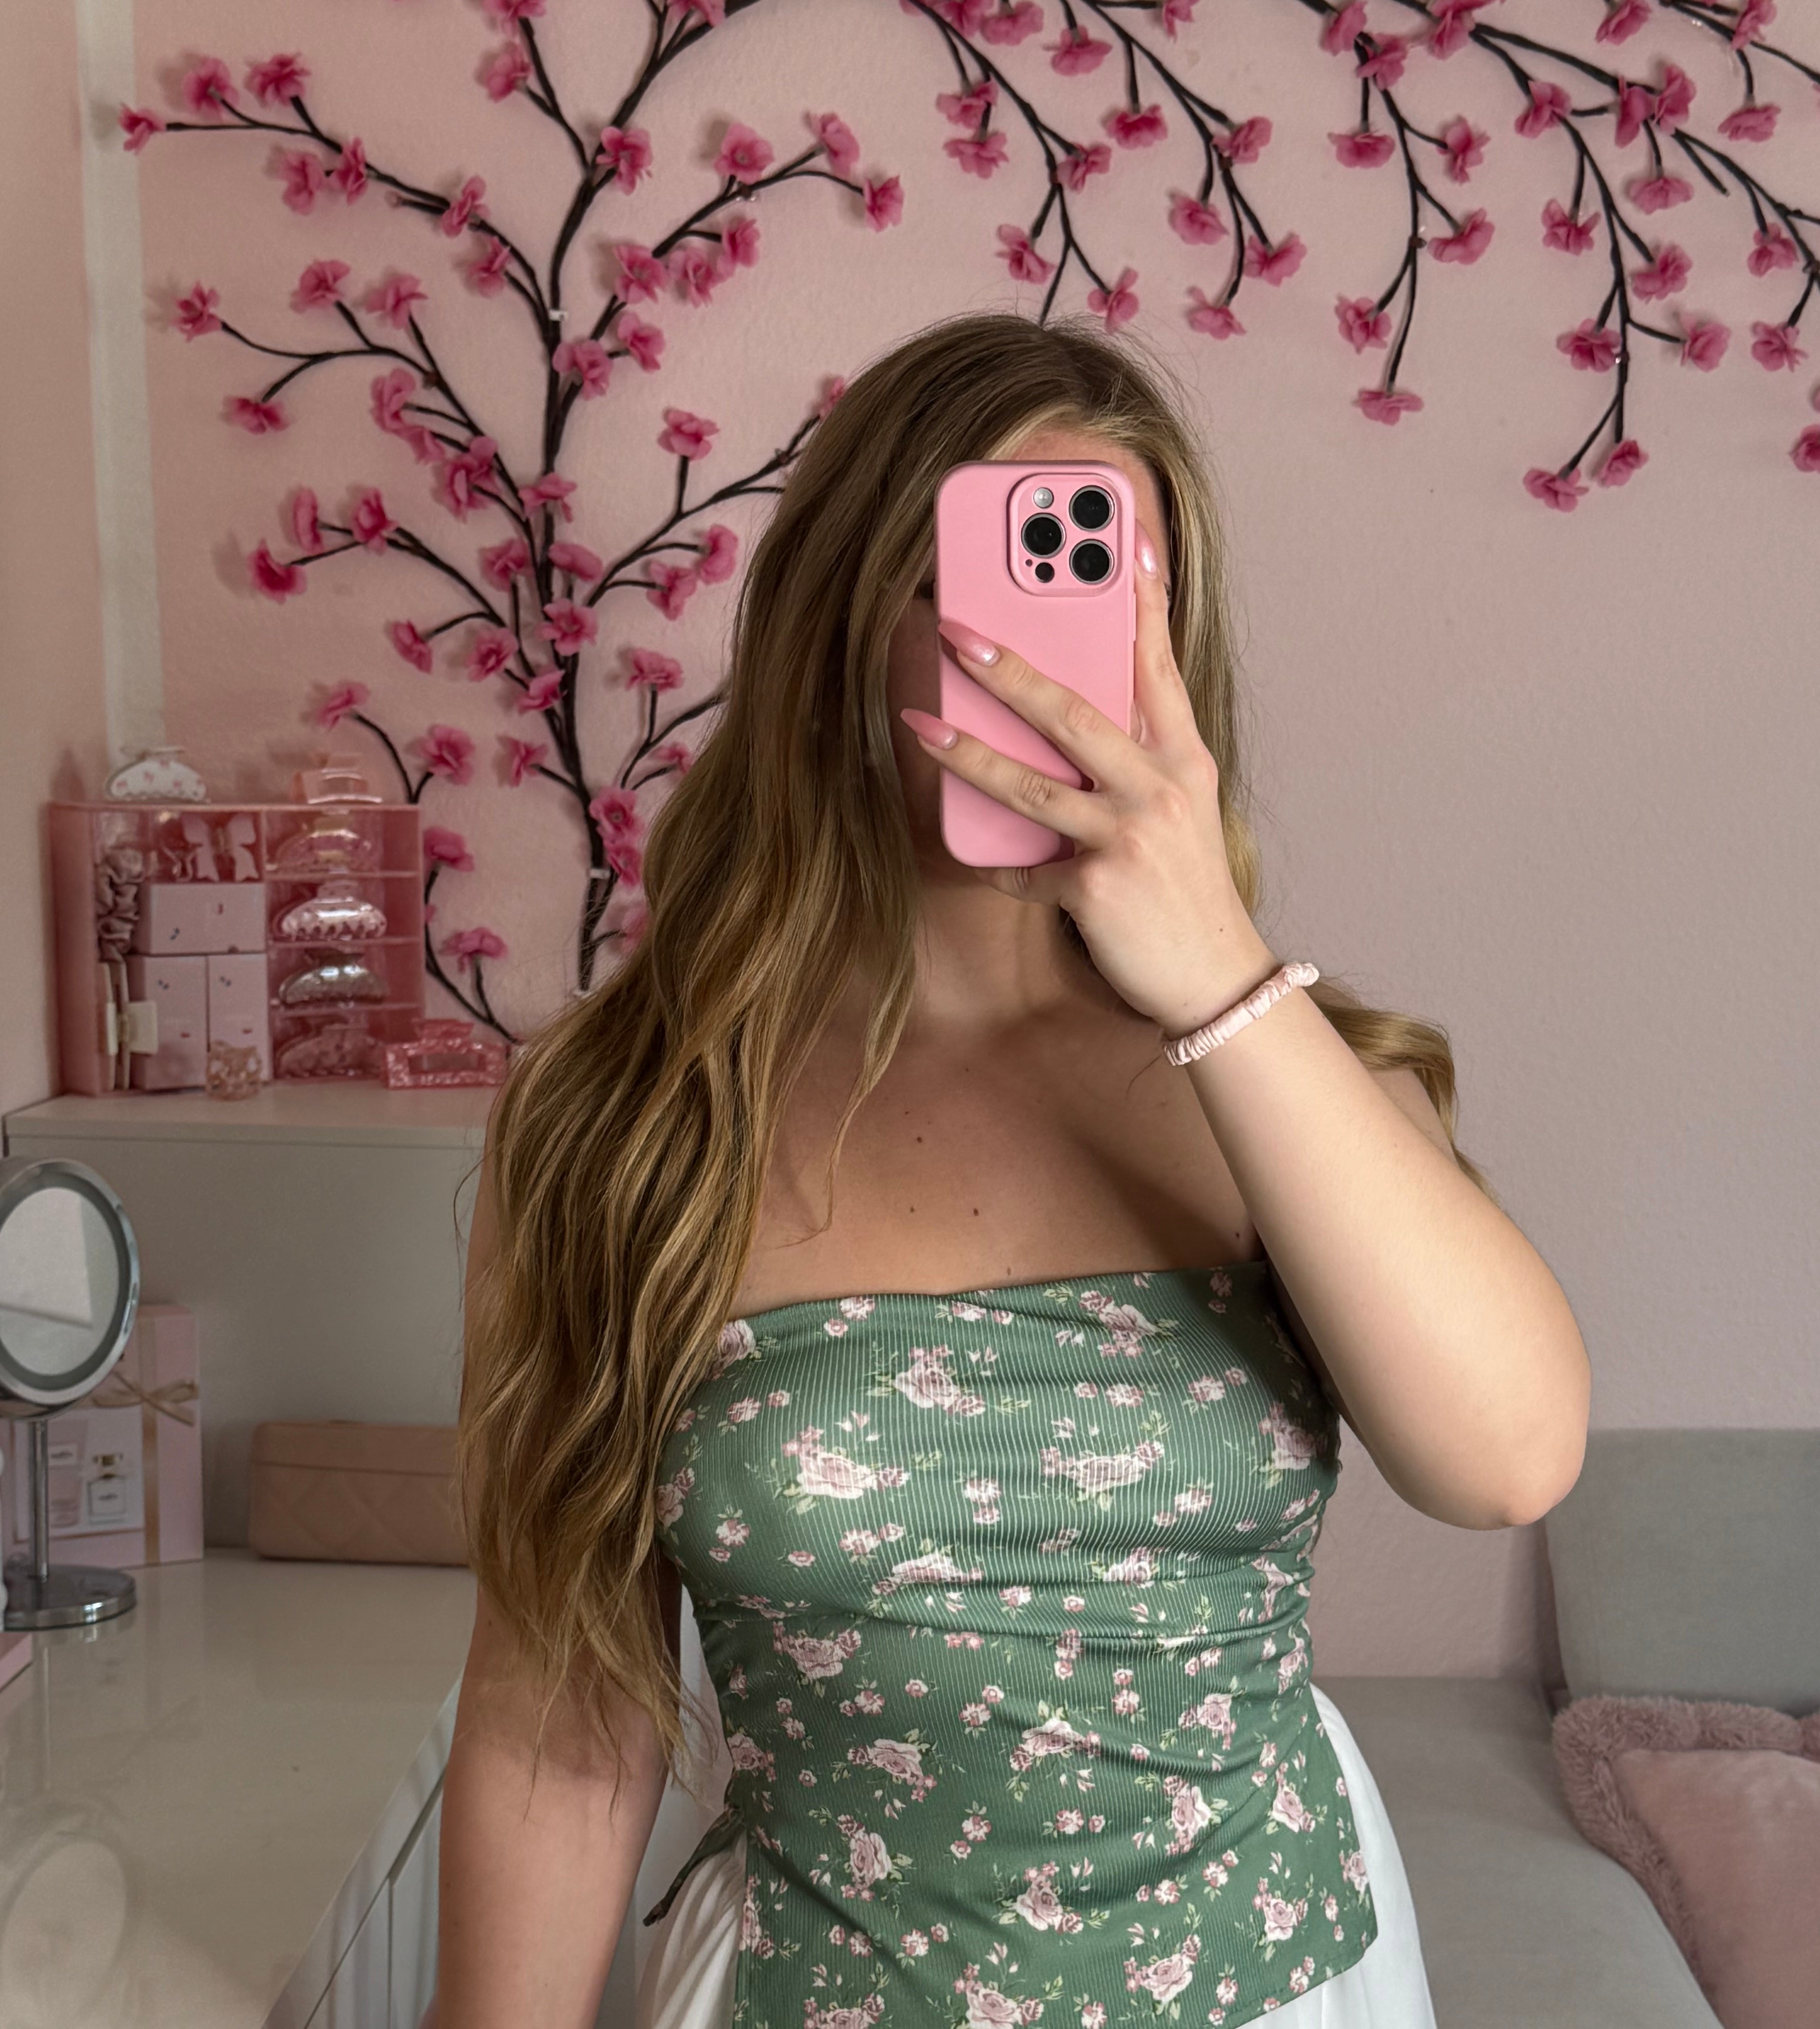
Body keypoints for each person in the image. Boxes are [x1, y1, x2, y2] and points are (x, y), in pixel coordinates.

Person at [433, 312, 1590, 2029]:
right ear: (843, 619)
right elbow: (563, 1708)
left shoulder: (1295, 1074)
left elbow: (1506, 1460)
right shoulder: (627, 1121)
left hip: (1283, 1990)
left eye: (1109, 586)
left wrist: (1217, 975)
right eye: (988, 580)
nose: (1050, 658)